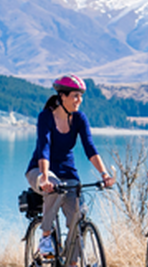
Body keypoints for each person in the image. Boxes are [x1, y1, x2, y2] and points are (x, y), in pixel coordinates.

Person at [25, 74, 115, 259]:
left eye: (81, 96)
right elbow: (44, 148)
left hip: (68, 172)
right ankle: (45, 236)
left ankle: (72, 262)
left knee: (79, 214)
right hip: (38, 170)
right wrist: (44, 176)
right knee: (54, 186)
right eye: (75, 95)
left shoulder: (80, 118)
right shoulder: (46, 117)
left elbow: (90, 148)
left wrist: (104, 173)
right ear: (62, 96)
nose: (79, 100)